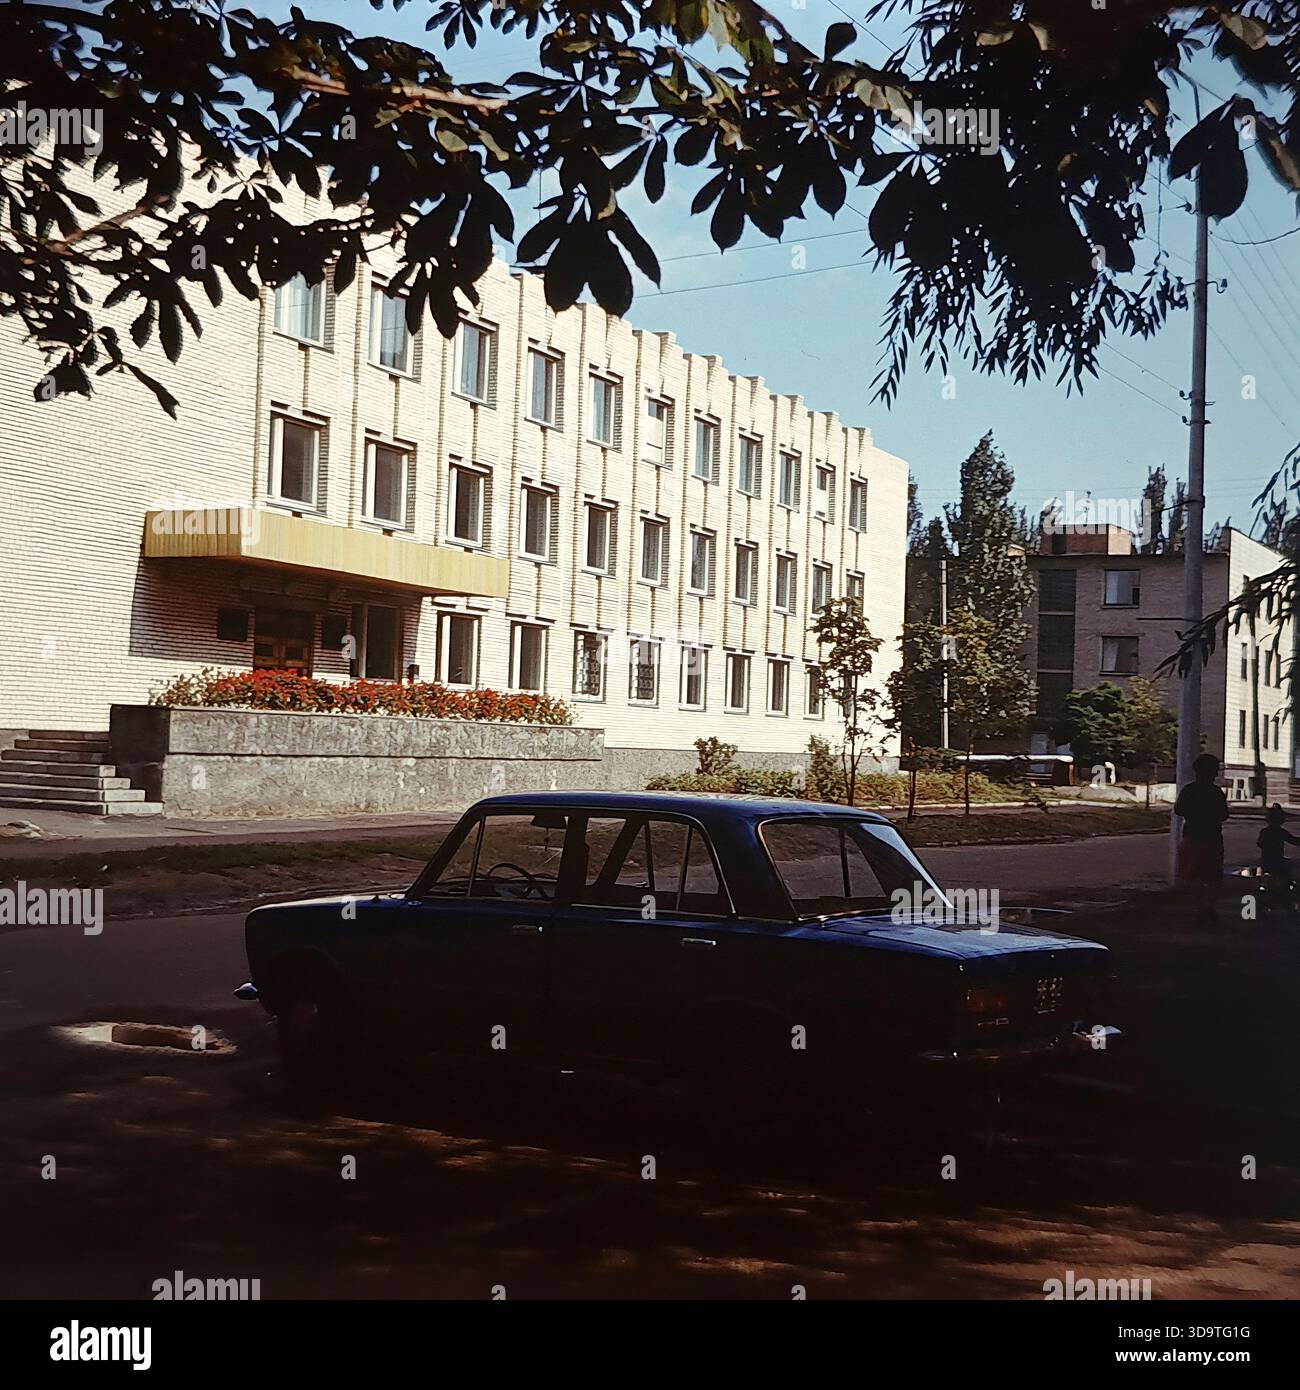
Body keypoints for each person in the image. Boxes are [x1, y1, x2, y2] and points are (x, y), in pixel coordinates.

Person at [1174, 752, 1229, 921]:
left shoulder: (1189, 790)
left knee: (1194, 874)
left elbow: (1178, 810)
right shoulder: (1216, 792)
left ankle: (1198, 907)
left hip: (1192, 835)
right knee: (1213, 875)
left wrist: (1195, 814)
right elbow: (1224, 814)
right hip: (1212, 837)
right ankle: (1209, 907)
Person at [1257, 803, 1299, 907]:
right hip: (1277, 861)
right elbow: (1293, 840)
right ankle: (1286, 890)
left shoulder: (1265, 831)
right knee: (1287, 871)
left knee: (1270, 875)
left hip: (1266, 860)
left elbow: (1259, 843)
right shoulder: (1281, 832)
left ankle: (1271, 892)